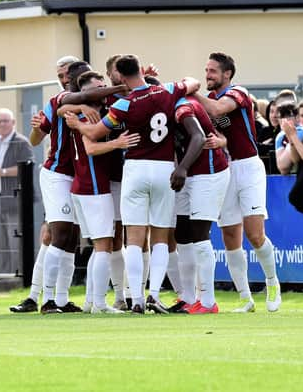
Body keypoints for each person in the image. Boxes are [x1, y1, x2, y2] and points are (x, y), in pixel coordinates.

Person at [65, 54, 200, 314]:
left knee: (134, 239)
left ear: (121, 77)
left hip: (135, 169)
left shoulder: (124, 105)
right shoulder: (167, 91)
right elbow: (192, 83)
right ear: (140, 69)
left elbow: (94, 133)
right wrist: (184, 83)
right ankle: (155, 294)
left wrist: (77, 125)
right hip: (164, 168)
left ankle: (136, 298)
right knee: (160, 237)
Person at [193, 52, 282, 312]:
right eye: (206, 70)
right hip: (224, 170)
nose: (207, 75)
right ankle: (245, 298)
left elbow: (219, 110)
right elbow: (219, 132)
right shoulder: (209, 100)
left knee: (255, 235)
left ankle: (272, 282)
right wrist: (221, 142)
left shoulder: (238, 93)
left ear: (227, 74)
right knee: (230, 234)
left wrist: (187, 91)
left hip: (248, 167)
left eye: (212, 71)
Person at [59, 70, 140, 313]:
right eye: (97, 86)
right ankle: (100, 304)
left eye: (104, 85)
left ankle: (91, 301)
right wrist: (118, 143)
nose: (102, 89)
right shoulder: (87, 114)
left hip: (85, 187)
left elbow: (63, 109)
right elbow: (91, 148)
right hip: (93, 187)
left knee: (99, 245)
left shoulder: (83, 110)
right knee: (104, 245)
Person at [10, 55, 78, 313]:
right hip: (57, 174)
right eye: (60, 76)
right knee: (52, 233)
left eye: (67, 75)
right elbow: (35, 139)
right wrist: (38, 128)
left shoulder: (91, 96)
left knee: (72, 238)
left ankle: (60, 299)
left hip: (82, 177)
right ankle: (37, 296)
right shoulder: (56, 102)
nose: (63, 81)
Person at [170, 96, 230, 314]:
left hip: (209, 174)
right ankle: (188, 297)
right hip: (191, 175)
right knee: (182, 233)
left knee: (199, 233)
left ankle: (208, 302)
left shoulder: (182, 108)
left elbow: (198, 137)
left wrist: (182, 168)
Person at [0, 108, 34, 274]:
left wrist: (4, 172)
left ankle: (18, 275)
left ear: (13, 123)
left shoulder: (21, 142)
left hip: (15, 199)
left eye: (6, 121)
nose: (2, 124)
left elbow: (27, 166)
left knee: (15, 242)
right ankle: (2, 276)